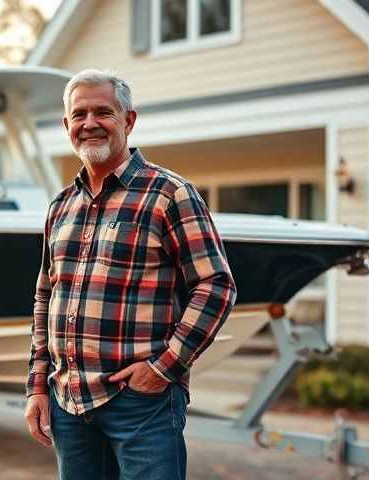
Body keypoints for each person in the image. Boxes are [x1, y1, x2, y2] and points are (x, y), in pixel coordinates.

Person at [24, 69, 237, 480]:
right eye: (79, 114)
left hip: (141, 404)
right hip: (69, 403)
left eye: (103, 112)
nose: (90, 123)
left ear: (129, 120)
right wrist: (37, 386)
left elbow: (216, 287)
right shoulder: (60, 206)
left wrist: (162, 369)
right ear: (67, 126)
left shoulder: (170, 194)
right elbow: (45, 296)